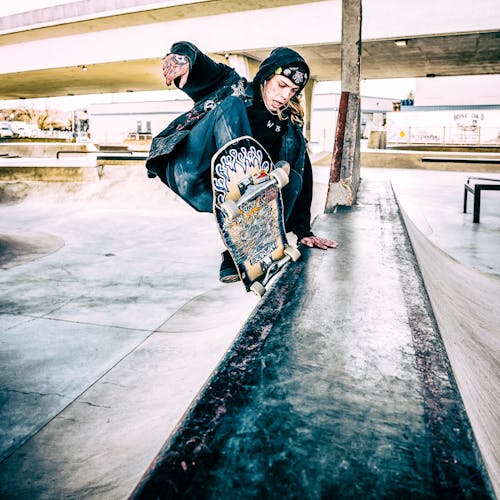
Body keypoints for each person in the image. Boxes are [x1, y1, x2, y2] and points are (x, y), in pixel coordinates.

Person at [146, 41, 337, 283]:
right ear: (266, 77)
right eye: (281, 86)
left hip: (218, 196)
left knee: (292, 178)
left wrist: (302, 231)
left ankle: (238, 255)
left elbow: (302, 173)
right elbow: (205, 66)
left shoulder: (288, 129)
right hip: (191, 169)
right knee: (232, 105)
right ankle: (247, 193)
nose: (284, 96)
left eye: (292, 91)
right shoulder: (232, 85)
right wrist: (184, 57)